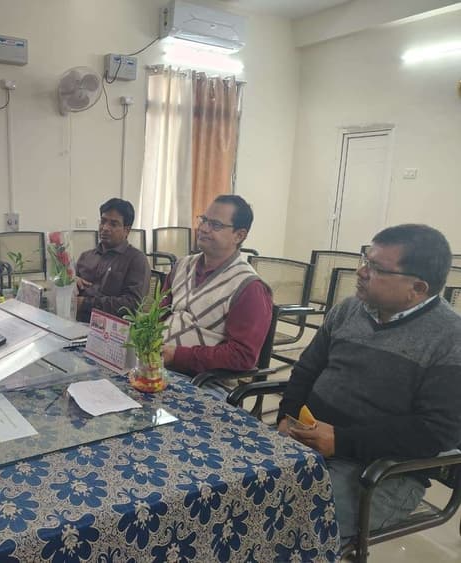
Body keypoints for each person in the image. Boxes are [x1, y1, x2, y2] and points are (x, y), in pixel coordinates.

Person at [277, 224, 461, 542]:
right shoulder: (348, 310)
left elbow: (436, 432)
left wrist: (342, 441)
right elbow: (306, 370)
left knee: (285, 529)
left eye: (376, 268)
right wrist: (287, 416)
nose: (360, 272)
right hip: (306, 441)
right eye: (365, 259)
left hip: (382, 472)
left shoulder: (450, 339)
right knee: (236, 493)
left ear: (417, 288)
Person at [161, 194, 273, 375]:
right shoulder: (181, 266)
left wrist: (177, 355)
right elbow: (159, 315)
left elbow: (242, 356)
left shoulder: (249, 287)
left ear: (239, 235)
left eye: (215, 225)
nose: (203, 228)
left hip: (201, 381)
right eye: (204, 220)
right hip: (157, 367)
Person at [75, 198, 150, 322]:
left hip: (113, 330)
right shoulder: (85, 257)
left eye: (113, 224)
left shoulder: (136, 260)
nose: (105, 228)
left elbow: (133, 305)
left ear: (127, 230)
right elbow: (69, 294)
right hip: (75, 323)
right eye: (103, 221)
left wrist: (84, 303)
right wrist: (70, 284)